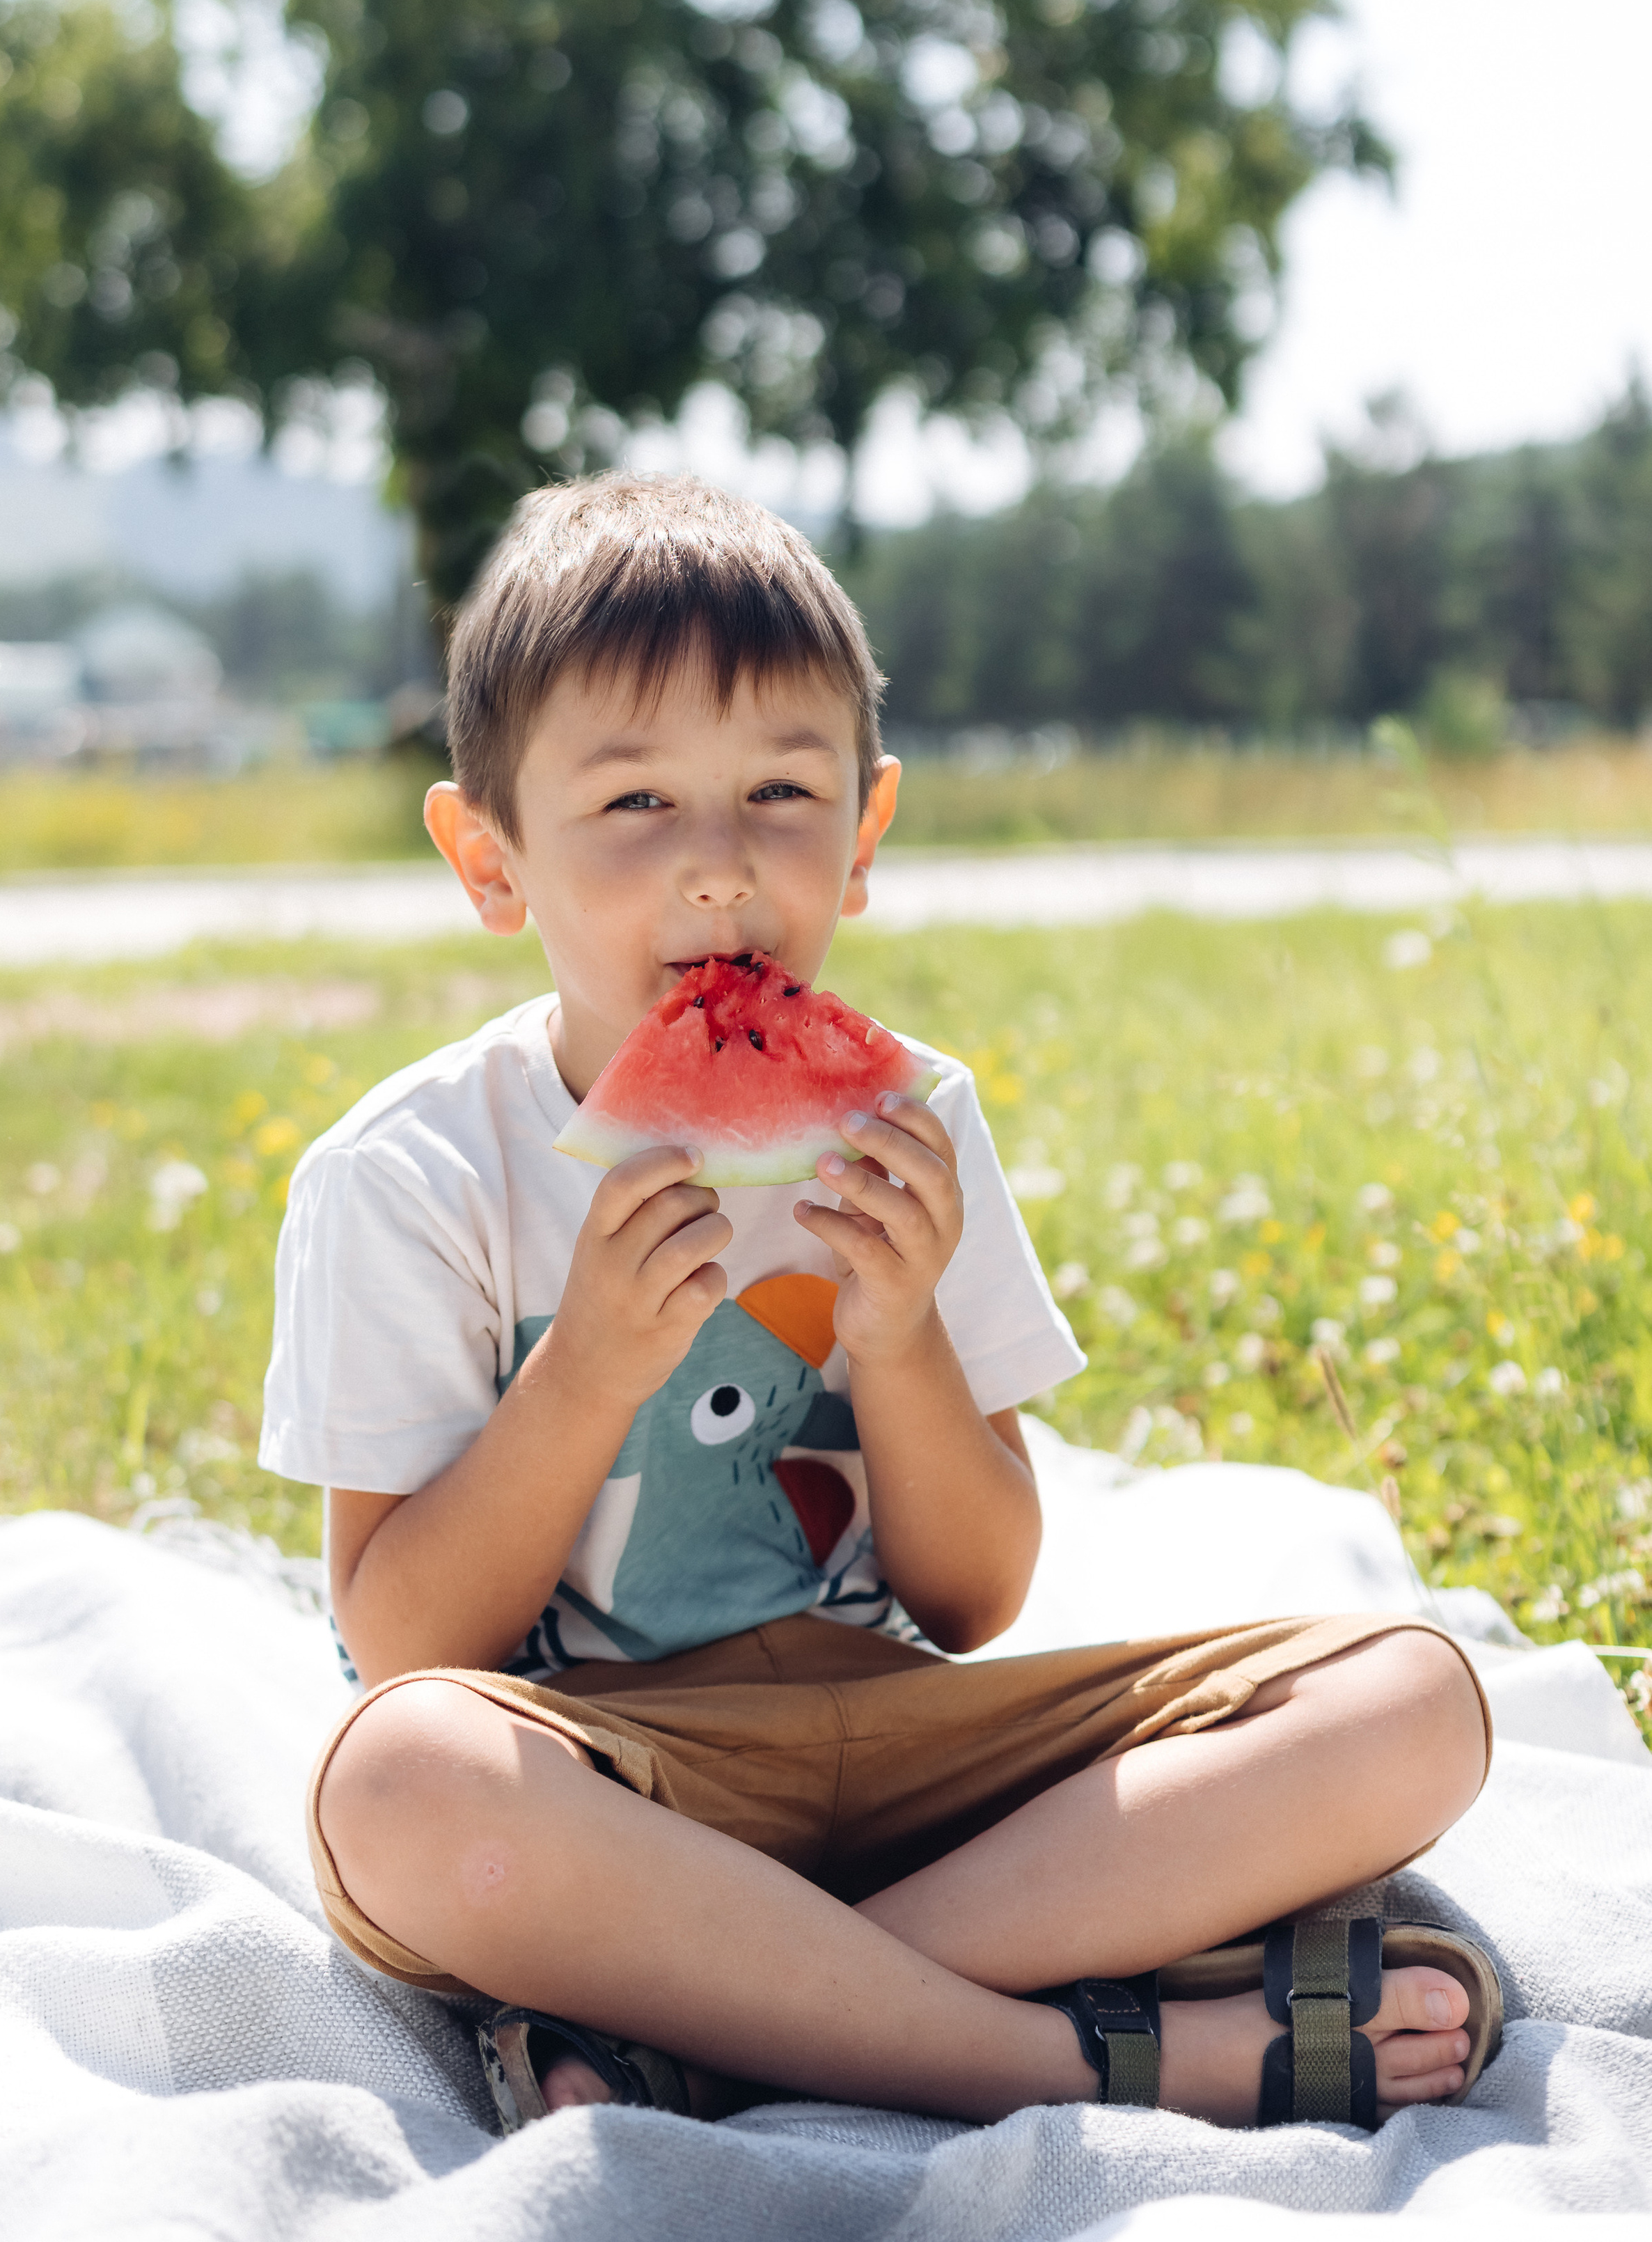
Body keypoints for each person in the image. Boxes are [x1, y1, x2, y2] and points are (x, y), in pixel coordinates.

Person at [260, 474, 1495, 2137]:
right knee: (399, 1786)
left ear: (864, 833)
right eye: (633, 806)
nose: (717, 872)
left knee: (1414, 1704)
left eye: (779, 790)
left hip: (917, 1748)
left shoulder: (914, 1121)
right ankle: (1075, 2053)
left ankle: (726, 2027)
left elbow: (973, 1595)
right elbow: (404, 1642)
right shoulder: (408, 1175)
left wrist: (902, 1336)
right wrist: (583, 1378)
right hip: (617, 1784)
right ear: (489, 860)